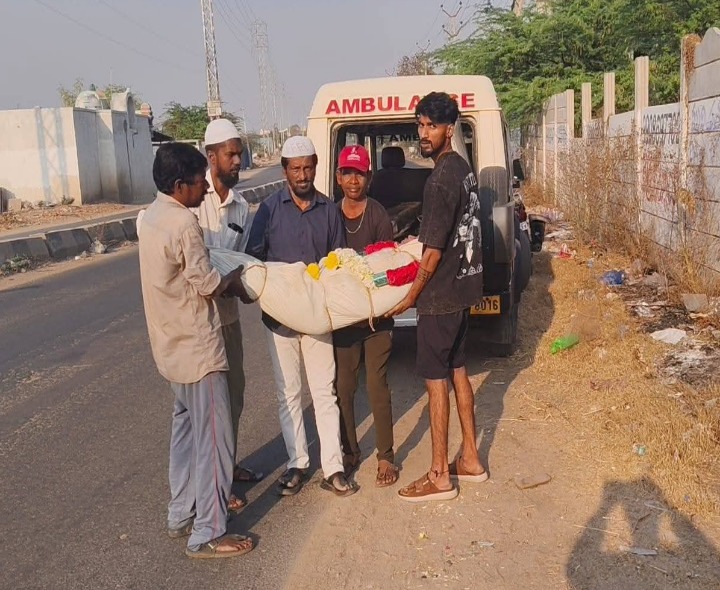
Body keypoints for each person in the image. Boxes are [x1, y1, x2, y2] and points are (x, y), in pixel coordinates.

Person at [138, 142, 254, 558]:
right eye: (198, 181)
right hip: (199, 352)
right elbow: (207, 284)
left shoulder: (151, 217)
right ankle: (208, 531)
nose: (205, 187)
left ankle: (181, 512)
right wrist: (237, 277)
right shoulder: (184, 224)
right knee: (215, 442)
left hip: (170, 350)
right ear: (178, 185)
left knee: (186, 435)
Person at [387, 92, 486, 502]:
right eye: (420, 126)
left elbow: (431, 254)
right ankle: (471, 458)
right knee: (459, 371)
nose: (424, 134)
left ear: (450, 128)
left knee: (435, 383)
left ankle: (439, 475)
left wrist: (410, 297)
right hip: (463, 290)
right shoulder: (462, 169)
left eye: (432, 126)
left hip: (440, 296)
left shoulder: (440, 180)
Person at [246, 136, 357, 498]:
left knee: (324, 392)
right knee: (289, 393)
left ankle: (333, 468)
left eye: (308, 167)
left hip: (316, 319)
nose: (303, 175)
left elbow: (339, 262)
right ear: (285, 171)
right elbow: (254, 261)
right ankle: (297, 463)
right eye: (296, 169)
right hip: (279, 320)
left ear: (315, 166)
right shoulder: (269, 210)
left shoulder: (329, 210)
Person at [193, 119, 263, 503]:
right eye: (231, 154)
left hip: (229, 319)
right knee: (209, 408)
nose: (238, 160)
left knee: (234, 396)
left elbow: (241, 259)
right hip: (199, 324)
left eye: (240, 153)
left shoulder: (240, 206)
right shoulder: (192, 197)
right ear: (211, 156)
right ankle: (215, 486)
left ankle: (228, 463)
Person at [332, 145, 399, 487]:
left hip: (376, 316)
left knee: (376, 383)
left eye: (359, 174)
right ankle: (349, 451)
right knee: (343, 387)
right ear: (338, 177)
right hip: (344, 317)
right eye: (347, 173)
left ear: (369, 177)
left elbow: (386, 265)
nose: (353, 180)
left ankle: (385, 455)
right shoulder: (331, 215)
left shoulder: (378, 215)